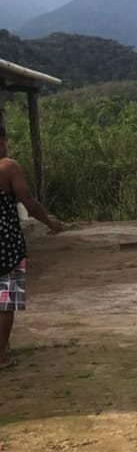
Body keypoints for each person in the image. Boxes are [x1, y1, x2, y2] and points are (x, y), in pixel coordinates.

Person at [0, 119, 63, 367]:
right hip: (6, 244)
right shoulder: (7, 166)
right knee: (5, 301)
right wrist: (49, 221)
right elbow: (27, 200)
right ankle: (1, 355)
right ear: (2, 142)